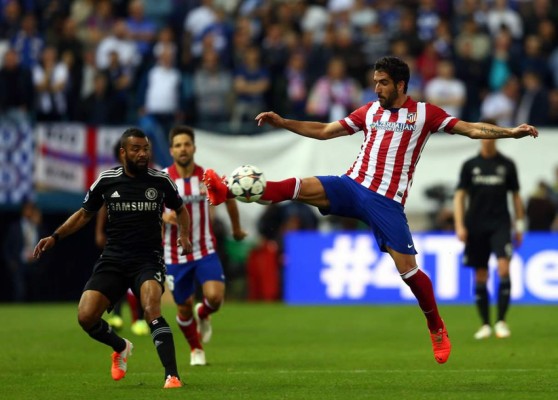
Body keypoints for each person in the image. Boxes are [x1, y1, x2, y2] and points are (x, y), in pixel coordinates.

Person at [203, 56, 539, 365]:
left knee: (409, 272)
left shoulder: (425, 114)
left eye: (383, 83)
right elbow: (323, 131)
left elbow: (471, 128)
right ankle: (226, 189)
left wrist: (510, 132)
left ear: (400, 85)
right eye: (375, 82)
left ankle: (435, 325)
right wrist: (283, 121)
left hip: (386, 201)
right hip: (352, 185)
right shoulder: (369, 112)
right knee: (298, 186)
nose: (376, 88)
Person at [33, 128, 192, 389]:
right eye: (136, 149)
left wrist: (184, 236)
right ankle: (121, 347)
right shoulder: (106, 181)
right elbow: (84, 214)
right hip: (114, 259)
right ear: (123, 152)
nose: (142, 154)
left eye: (146, 149)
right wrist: (55, 237)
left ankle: (172, 375)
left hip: (148, 259)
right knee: (85, 316)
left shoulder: (161, 181)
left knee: (152, 309)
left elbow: (180, 209)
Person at [162, 125, 246, 366]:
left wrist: (236, 228)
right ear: (171, 150)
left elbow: (229, 197)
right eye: (178, 145)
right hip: (175, 255)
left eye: (187, 144)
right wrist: (162, 216)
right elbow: (151, 207)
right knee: (184, 307)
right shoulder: (162, 179)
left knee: (215, 298)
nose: (183, 149)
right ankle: (196, 349)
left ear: (194, 148)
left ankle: (204, 313)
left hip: (205, 249)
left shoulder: (207, 177)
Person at [453, 138, 525, 340]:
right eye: (484, 135)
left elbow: (516, 196)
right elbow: (459, 196)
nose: (487, 140)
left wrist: (519, 225)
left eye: (491, 136)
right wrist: (459, 225)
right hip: (475, 226)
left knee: (504, 268)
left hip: (501, 224)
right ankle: (485, 324)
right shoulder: (470, 165)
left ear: (495, 139)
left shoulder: (507, 165)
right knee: (480, 275)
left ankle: (501, 321)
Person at [95, 141, 149, 337]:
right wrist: (100, 232)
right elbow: (102, 207)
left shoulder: (149, 177)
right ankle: (117, 314)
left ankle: (141, 319)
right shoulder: (111, 178)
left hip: (143, 238)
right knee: (117, 276)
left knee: (141, 279)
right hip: (118, 238)